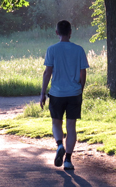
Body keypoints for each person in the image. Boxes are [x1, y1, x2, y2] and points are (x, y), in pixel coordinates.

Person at [40, 20, 89, 170]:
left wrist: (42, 93)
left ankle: (59, 144)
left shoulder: (52, 50)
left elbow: (47, 72)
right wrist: (80, 89)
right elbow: (83, 72)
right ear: (70, 32)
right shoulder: (79, 49)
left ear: (57, 33)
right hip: (74, 93)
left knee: (56, 122)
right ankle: (68, 160)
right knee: (71, 126)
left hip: (56, 93)